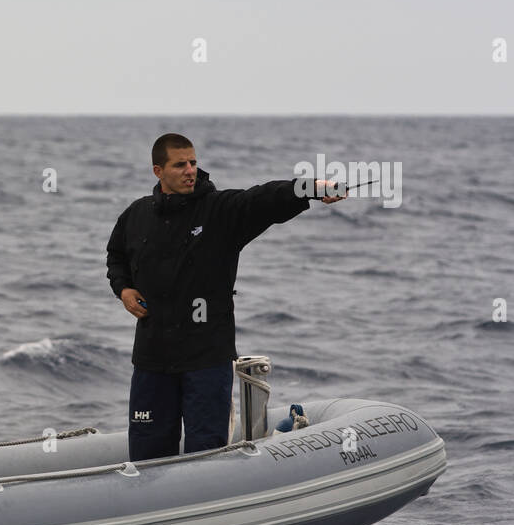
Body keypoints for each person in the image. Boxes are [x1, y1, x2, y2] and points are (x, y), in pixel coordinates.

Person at [105, 133, 344, 461]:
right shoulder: (136, 215)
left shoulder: (220, 212)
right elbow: (116, 254)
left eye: (193, 162)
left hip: (206, 359)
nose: (190, 170)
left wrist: (312, 188)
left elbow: (265, 198)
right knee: (146, 456)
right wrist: (123, 289)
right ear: (158, 171)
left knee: (207, 457)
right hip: (152, 360)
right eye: (179, 165)